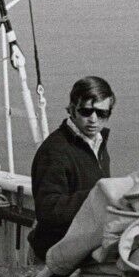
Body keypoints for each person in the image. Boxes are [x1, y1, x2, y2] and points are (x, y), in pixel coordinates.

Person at [28, 75, 114, 261]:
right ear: (73, 110)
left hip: (83, 250)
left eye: (101, 113)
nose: (93, 119)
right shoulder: (55, 151)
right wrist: (99, 196)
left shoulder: (97, 143)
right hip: (55, 256)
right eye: (86, 111)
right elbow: (47, 210)